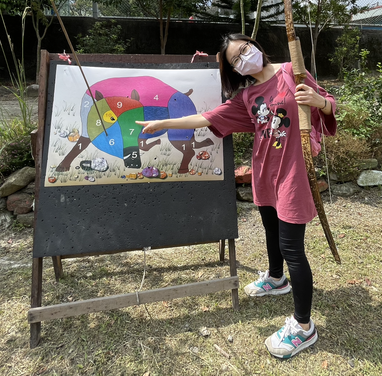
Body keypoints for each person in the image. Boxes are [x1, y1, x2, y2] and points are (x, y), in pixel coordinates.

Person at [136, 33, 336, 359]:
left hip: (294, 175)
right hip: (264, 173)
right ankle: (275, 278)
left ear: (256, 46)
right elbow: (209, 117)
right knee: (272, 230)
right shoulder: (246, 97)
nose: (245, 58)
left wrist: (319, 102)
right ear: (235, 69)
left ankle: (303, 326)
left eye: (245, 50)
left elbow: (328, 103)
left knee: (292, 248)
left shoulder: (292, 70)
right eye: (236, 59)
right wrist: (164, 123)